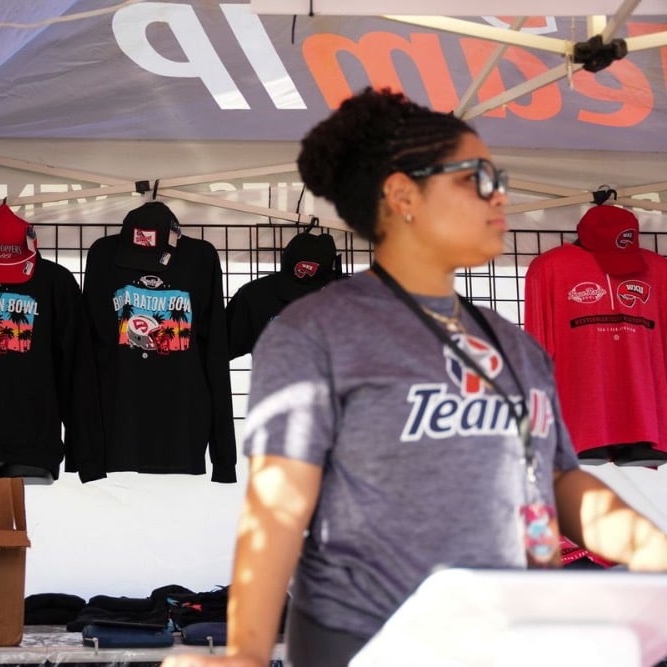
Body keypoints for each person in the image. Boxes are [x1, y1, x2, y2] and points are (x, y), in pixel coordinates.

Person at [161, 87, 667, 667]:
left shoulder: (515, 346)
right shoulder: (316, 332)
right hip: (369, 640)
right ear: (403, 196)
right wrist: (246, 652)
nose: (499, 195)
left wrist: (651, 552)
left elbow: (556, 481)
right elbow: (278, 507)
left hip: (510, 637)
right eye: (475, 178)